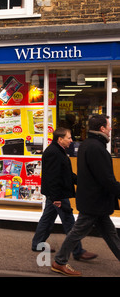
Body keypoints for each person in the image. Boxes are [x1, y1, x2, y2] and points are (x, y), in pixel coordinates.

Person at [51, 114, 120, 276]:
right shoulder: (96, 148)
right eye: (109, 126)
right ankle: (59, 261)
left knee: (111, 235)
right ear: (102, 128)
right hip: (94, 201)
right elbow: (106, 179)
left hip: (94, 201)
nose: (111, 129)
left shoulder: (88, 144)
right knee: (77, 232)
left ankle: (59, 261)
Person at [32, 127, 97, 262]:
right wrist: (55, 198)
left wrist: (83, 182)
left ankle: (37, 244)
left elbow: (67, 174)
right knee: (70, 222)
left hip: (55, 194)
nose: (71, 140)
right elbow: (52, 178)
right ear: (60, 139)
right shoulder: (53, 153)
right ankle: (78, 251)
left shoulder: (59, 151)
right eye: (69, 138)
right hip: (58, 195)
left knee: (47, 218)